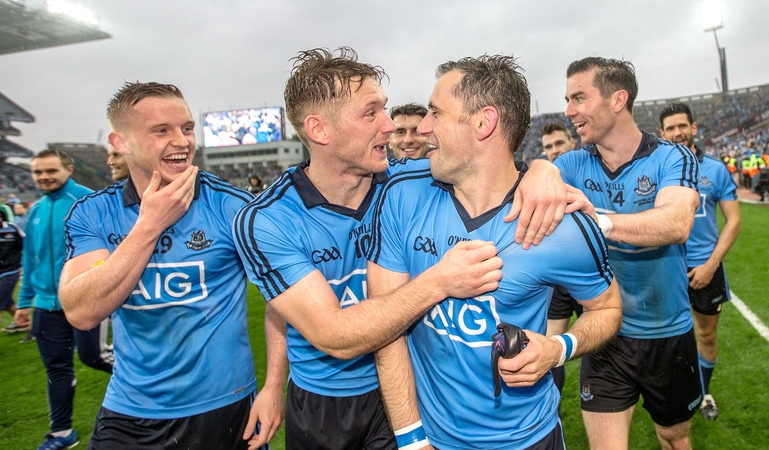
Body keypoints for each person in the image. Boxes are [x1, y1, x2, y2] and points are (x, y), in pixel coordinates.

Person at [233, 47, 567, 449]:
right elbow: (321, 329)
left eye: (385, 110)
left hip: (405, 389)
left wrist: (542, 171)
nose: (390, 126)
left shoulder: (411, 183)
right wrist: (272, 385)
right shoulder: (267, 218)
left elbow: (490, 165)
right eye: (371, 113)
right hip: (325, 403)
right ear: (320, 130)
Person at [368, 55, 623, 449]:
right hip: (431, 440)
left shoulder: (561, 225)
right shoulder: (401, 194)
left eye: (436, 112)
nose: (422, 127)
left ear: (484, 123)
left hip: (530, 438)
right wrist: (413, 439)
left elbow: (607, 308)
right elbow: (384, 327)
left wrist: (559, 348)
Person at [58, 82, 273, 450]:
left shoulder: (232, 206)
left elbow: (282, 299)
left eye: (187, 128)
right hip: (130, 409)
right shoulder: (93, 213)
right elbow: (81, 311)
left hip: (224, 407)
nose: (182, 141)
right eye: (161, 130)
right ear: (120, 142)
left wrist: (272, 388)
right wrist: (149, 226)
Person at [555, 57, 701, 450]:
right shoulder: (569, 164)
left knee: (674, 438)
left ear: (618, 99)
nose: (569, 111)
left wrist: (598, 221)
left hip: (667, 334)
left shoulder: (672, 157)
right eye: (568, 99)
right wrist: (537, 172)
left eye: (579, 98)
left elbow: (676, 223)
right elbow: (537, 177)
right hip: (604, 335)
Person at [14, 149, 115, 450]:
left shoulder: (89, 202)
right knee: (56, 368)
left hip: (87, 298)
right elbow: (30, 260)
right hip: (45, 304)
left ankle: (150, 380)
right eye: (38, 172)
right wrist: (24, 303)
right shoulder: (36, 210)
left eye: (50, 171)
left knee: (93, 357)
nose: (44, 177)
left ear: (68, 169)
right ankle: (61, 433)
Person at [659, 102, 741, 421]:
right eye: (671, 128)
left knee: (706, 335)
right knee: (669, 338)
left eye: (683, 126)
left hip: (706, 268)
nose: (677, 132)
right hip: (666, 267)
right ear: (662, 134)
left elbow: (733, 221)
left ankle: (704, 393)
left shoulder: (716, 170)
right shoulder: (658, 169)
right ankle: (676, 393)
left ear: (694, 128)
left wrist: (711, 265)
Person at [538, 121, 585, 396]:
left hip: (587, 277)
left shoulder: (586, 175)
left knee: (598, 341)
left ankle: (602, 394)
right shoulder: (540, 184)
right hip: (556, 278)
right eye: (548, 147)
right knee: (551, 345)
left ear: (572, 143)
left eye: (559, 144)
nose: (554, 150)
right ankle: (550, 407)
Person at [0, 208, 25, 333]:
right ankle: (24, 322)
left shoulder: (12, 229)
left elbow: (26, 244)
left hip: (11, 270)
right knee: (6, 302)